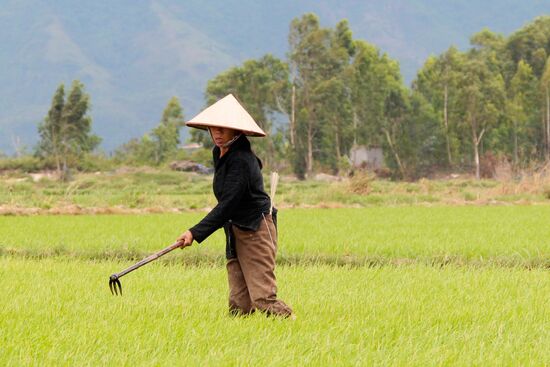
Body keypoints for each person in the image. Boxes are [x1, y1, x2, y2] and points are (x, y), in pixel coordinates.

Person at [177, 94, 293, 318]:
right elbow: (226, 206)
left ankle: (292, 324)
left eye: (223, 129)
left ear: (236, 131)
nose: (218, 134)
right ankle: (242, 345)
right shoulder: (219, 153)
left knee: (263, 299)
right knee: (239, 303)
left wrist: (194, 232)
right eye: (214, 129)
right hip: (234, 228)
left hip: (255, 229)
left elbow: (228, 204)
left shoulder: (242, 159)